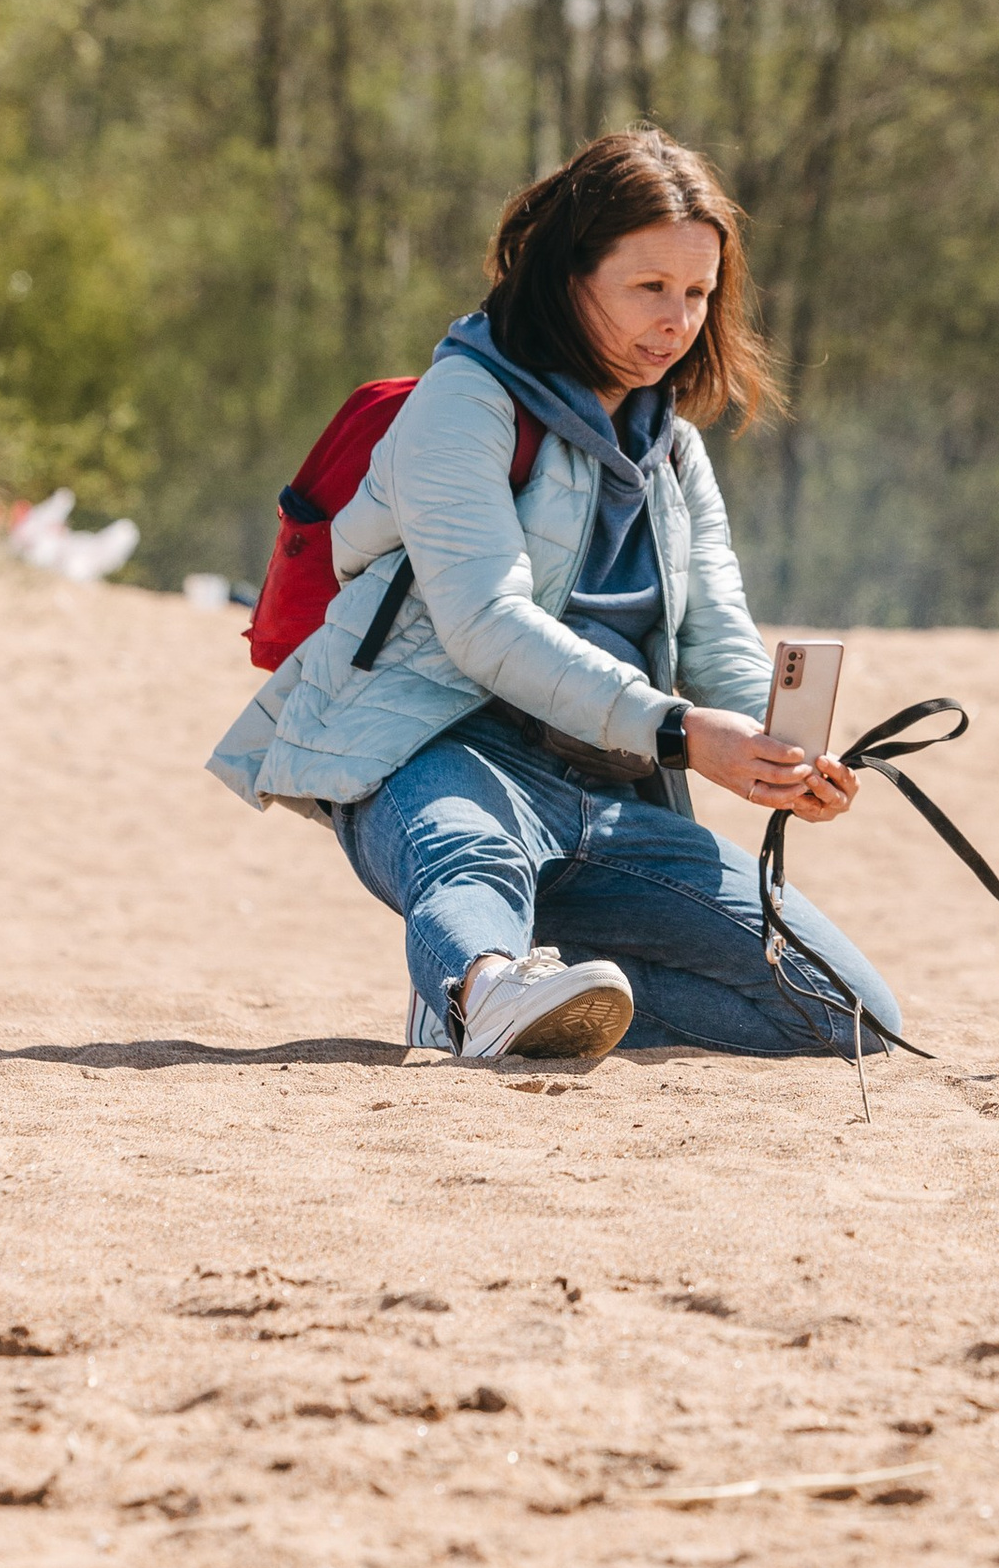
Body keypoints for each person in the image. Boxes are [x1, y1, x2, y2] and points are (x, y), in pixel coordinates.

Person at [207, 128, 899, 1072]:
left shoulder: (675, 450)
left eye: (698, 293)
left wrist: (783, 751)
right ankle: (484, 982)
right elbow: (486, 624)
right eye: (649, 287)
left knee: (847, 1017)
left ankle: (521, 995)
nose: (679, 320)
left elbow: (717, 642)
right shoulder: (462, 404)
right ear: (568, 275)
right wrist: (687, 734)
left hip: (613, 795)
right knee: (470, 857)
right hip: (438, 752)